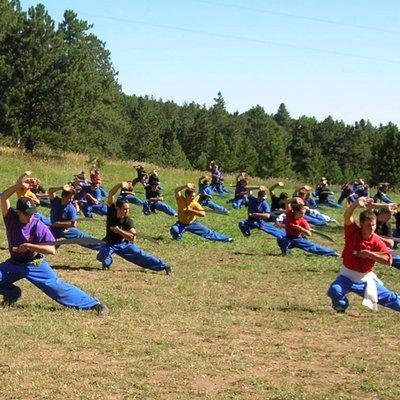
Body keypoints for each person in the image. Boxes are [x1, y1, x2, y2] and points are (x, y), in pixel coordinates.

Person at [0, 171, 108, 315]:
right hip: (14, 263)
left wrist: (29, 246)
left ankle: (94, 304)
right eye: (27, 213)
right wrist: (18, 185)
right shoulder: (11, 218)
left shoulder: (38, 225)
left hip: (34, 264)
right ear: (18, 212)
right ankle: (12, 294)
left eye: (32, 213)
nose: (30, 216)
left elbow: (52, 250)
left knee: (56, 287)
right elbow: (3, 198)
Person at [327, 197, 400, 313]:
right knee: (334, 290)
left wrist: (370, 255)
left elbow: (388, 261)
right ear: (361, 224)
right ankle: (340, 305)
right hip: (346, 276)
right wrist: (356, 203)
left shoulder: (377, 241)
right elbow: (347, 216)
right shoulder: (352, 232)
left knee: (390, 298)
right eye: (368, 225)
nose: (372, 228)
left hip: (364, 279)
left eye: (373, 225)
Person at [96, 181, 171, 274]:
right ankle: (107, 263)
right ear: (118, 208)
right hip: (109, 243)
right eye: (125, 209)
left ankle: (164, 266)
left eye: (128, 209)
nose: (127, 211)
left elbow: (133, 237)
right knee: (102, 254)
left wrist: (120, 231)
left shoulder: (128, 220)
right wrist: (119, 185)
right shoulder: (112, 212)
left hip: (124, 244)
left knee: (142, 255)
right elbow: (111, 194)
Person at [48, 184, 102, 251]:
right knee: (41, 237)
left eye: (72, 198)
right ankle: (55, 243)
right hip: (53, 229)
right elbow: (50, 191)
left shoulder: (71, 208)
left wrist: (58, 223)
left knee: (83, 239)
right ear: (63, 196)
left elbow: (73, 224)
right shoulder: (55, 201)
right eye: (69, 198)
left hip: (66, 230)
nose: (71, 200)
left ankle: (103, 246)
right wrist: (61, 187)